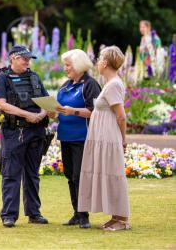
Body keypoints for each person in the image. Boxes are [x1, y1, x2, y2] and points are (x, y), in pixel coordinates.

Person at [0, 44, 49, 228]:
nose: (27, 61)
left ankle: (34, 213)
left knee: (32, 175)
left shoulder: (34, 77)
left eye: (29, 58)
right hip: (14, 132)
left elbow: (46, 100)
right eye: (24, 58)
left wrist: (43, 113)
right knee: (11, 174)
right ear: (13, 58)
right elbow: (1, 104)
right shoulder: (2, 78)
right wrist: (27, 115)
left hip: (36, 132)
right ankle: (9, 215)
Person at [78, 46, 131, 231]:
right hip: (102, 136)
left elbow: (121, 116)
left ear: (106, 63)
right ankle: (115, 216)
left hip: (109, 137)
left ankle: (122, 220)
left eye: (100, 59)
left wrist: (122, 139)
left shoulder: (114, 84)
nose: (98, 62)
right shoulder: (110, 84)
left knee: (114, 175)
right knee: (107, 173)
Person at [49, 49, 101, 229]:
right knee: (70, 175)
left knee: (80, 176)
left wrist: (74, 111)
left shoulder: (90, 84)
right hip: (65, 137)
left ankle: (84, 215)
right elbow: (60, 110)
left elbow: (96, 112)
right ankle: (76, 213)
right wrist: (52, 112)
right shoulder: (65, 85)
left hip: (82, 138)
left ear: (79, 66)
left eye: (68, 65)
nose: (65, 69)